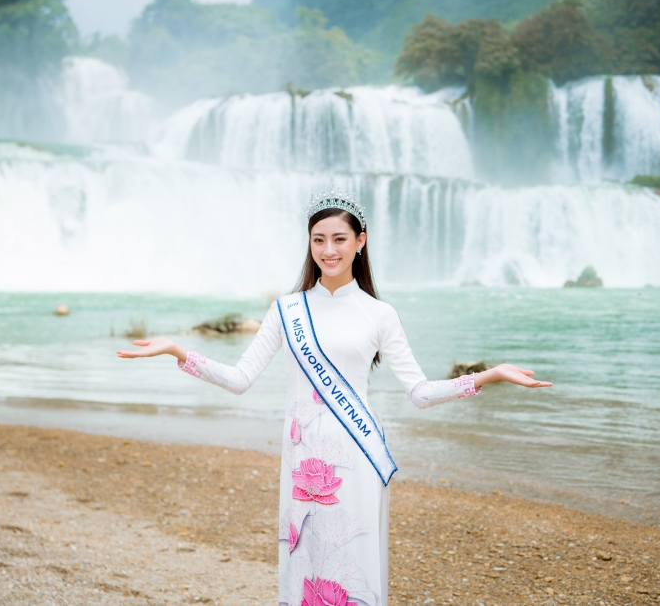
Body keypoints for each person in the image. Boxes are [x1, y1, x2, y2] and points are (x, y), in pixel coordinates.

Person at [117, 187, 551, 606]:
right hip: (301, 454)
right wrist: (179, 352)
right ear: (309, 244)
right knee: (303, 557)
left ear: (360, 242)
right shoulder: (286, 310)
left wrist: (489, 375)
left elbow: (419, 392)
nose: (329, 250)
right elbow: (239, 378)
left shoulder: (380, 314)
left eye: (339, 239)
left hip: (356, 452)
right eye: (318, 240)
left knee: (351, 561)